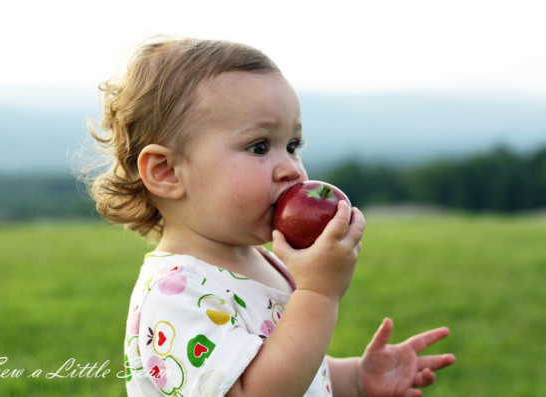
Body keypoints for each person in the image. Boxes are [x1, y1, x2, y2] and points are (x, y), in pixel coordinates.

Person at [88, 36, 455, 396]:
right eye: (260, 146)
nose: (292, 170)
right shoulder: (175, 296)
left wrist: (356, 378)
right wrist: (319, 294)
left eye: (293, 146)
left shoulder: (261, 261)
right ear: (167, 171)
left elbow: (290, 370)